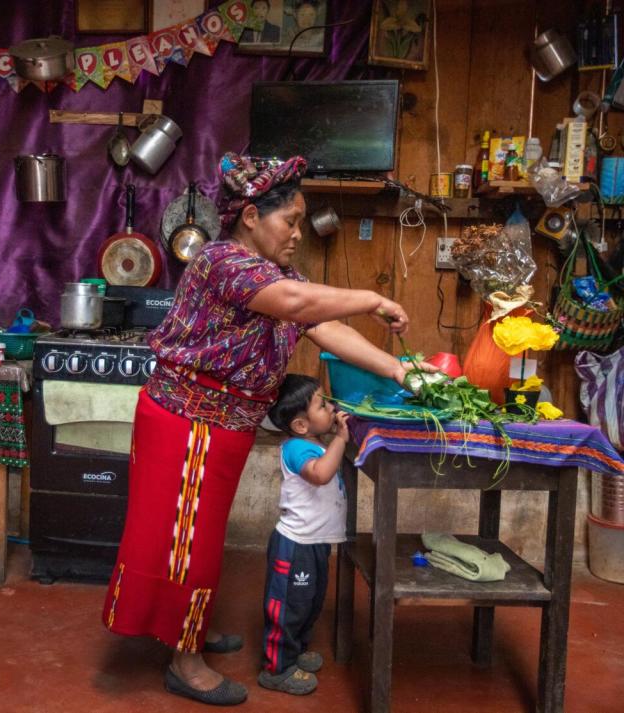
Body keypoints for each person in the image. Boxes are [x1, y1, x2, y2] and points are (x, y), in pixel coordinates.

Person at [101, 152, 427, 706]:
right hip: (187, 423)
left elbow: (320, 325)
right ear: (250, 215)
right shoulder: (223, 262)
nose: (298, 233)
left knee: (195, 541)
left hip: (219, 427)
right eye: (290, 221)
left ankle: (189, 630)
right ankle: (184, 662)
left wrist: (400, 368)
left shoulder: (276, 274)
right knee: (185, 544)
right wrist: (373, 298)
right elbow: (299, 304)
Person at [257, 375, 348, 695]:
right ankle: (277, 668)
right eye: (322, 405)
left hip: (315, 542)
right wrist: (340, 440)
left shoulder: (313, 443)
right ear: (300, 425)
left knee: (309, 601)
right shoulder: (296, 448)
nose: (331, 407)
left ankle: (294, 651)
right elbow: (320, 475)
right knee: (289, 605)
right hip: (295, 545)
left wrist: (332, 439)